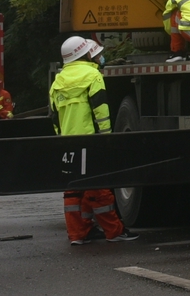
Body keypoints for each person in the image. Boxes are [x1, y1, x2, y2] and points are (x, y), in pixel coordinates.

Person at [49, 37, 136, 246]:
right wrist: (106, 137)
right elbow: (101, 110)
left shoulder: (57, 81)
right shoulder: (92, 75)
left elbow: (54, 116)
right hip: (91, 139)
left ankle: (79, 234)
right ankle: (114, 232)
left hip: (68, 142)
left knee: (74, 190)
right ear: (85, 54)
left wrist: (62, 138)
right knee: (99, 188)